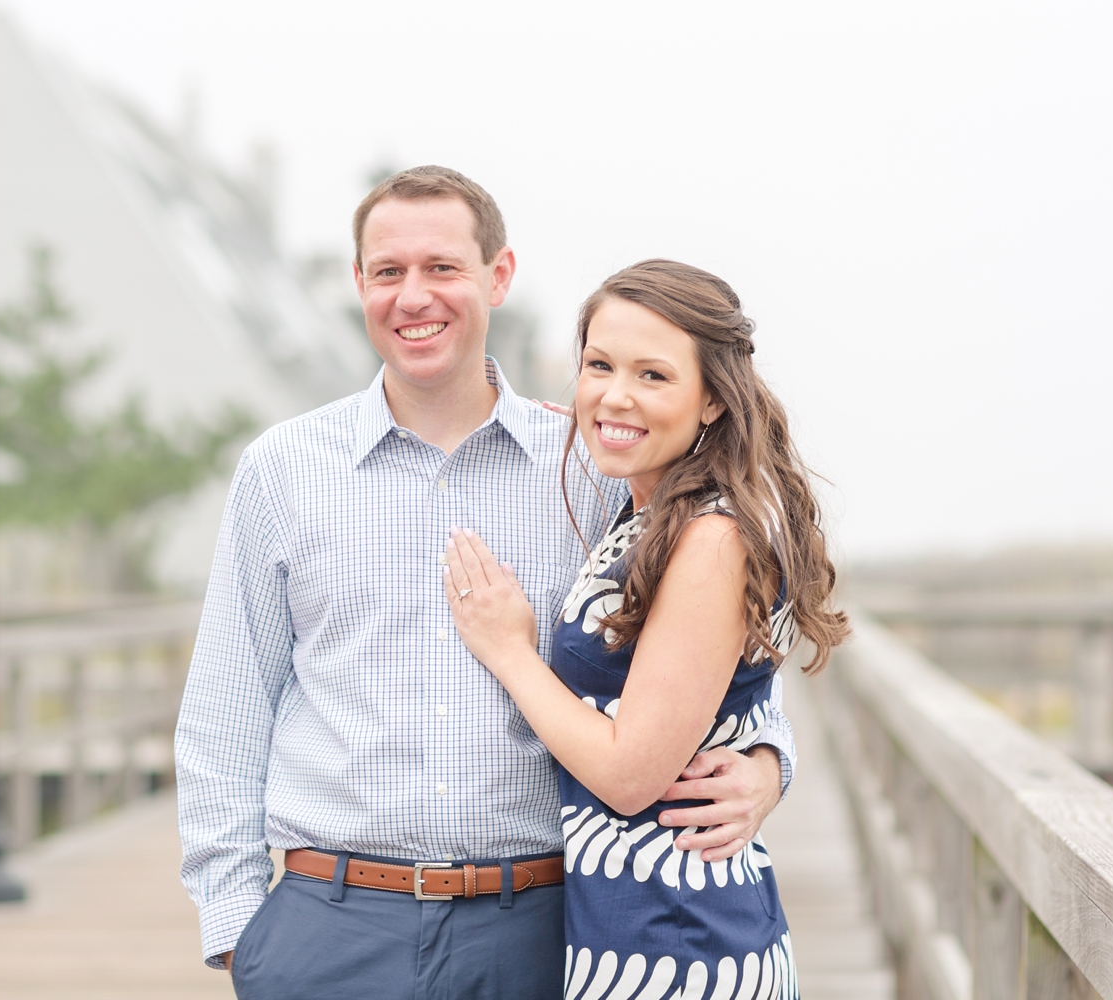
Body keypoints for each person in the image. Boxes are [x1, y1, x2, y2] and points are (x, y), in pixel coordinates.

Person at [175, 167, 799, 1000]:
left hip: (540, 929)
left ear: (497, 277)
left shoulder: (596, 467)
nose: (413, 296)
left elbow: (701, 649)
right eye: (388, 272)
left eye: (442, 268)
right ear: (358, 284)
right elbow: (226, 705)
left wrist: (766, 759)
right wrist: (239, 930)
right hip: (330, 925)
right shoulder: (283, 472)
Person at [442, 259, 850, 1000]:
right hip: (634, 934)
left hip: (682, 944)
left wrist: (509, 650)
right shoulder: (655, 511)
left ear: (713, 401)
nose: (615, 394)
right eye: (598, 365)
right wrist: (769, 759)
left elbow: (632, 777)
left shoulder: (713, 536)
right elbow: (718, 697)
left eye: (654, 376)